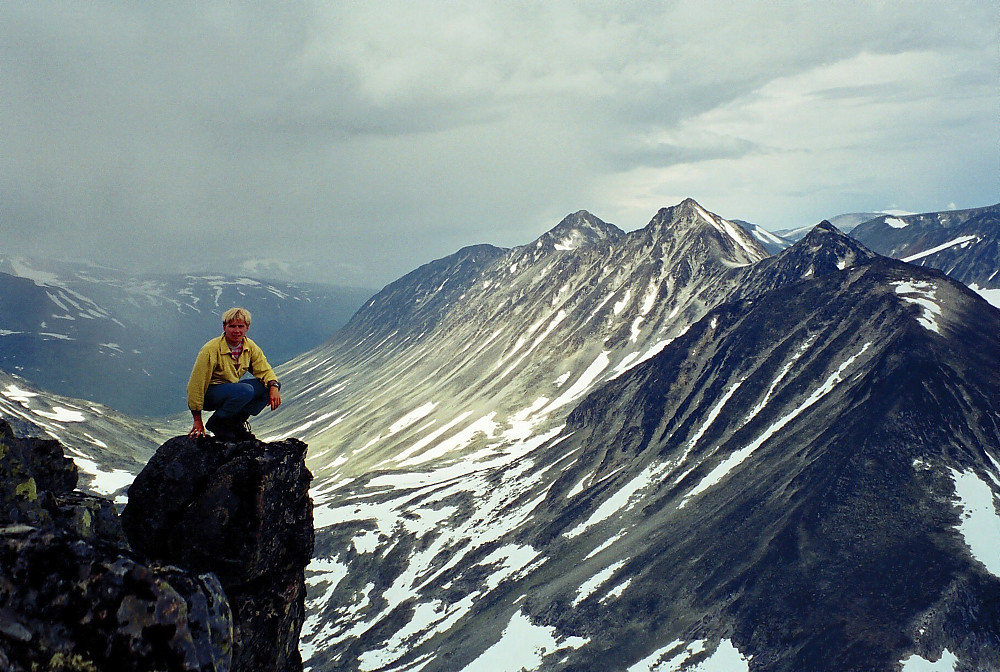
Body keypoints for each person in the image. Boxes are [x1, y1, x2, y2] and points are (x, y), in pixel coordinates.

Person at [187, 307, 282, 441]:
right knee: (245, 391)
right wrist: (197, 419)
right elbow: (196, 384)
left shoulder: (249, 347)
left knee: (270, 387)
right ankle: (218, 423)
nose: (236, 331)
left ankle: (235, 423)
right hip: (210, 394)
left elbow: (264, 370)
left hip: (232, 391)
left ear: (247, 328)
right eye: (232, 326)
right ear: (224, 327)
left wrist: (273, 386)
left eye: (240, 326)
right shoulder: (211, 349)